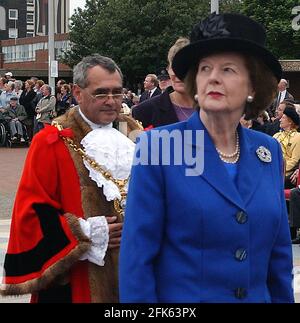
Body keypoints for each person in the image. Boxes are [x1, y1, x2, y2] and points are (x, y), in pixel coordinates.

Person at [119, 13, 294, 302]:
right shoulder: (161, 146)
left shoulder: (268, 151)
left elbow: (279, 256)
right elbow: (137, 260)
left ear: (252, 87)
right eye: (204, 69)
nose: (213, 77)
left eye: (228, 69)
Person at [1, 54, 141, 303]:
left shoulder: (134, 136)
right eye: (101, 93)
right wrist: (84, 232)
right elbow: (29, 214)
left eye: (117, 92)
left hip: (132, 275)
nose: (112, 101)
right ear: (77, 92)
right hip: (76, 282)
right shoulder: (51, 141)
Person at [132, 38, 194, 128]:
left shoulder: (216, 108)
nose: (178, 72)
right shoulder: (144, 111)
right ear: (168, 69)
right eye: (174, 66)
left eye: (185, 66)